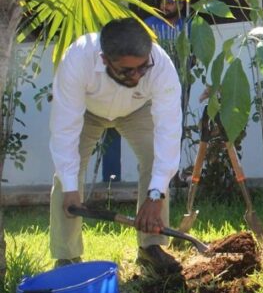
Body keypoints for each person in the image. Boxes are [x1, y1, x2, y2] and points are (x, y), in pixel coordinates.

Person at [49, 17, 183, 274]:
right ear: (104, 59)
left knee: (155, 158)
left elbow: (169, 131)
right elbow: (64, 128)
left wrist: (156, 195)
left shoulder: (161, 65)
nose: (136, 76)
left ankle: (150, 246)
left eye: (142, 68)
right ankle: (67, 257)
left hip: (136, 108)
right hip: (88, 110)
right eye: (126, 71)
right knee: (67, 174)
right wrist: (70, 188)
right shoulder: (78, 59)